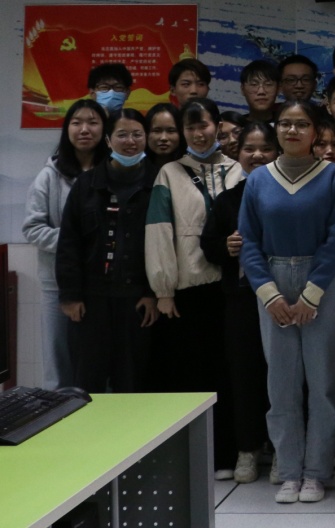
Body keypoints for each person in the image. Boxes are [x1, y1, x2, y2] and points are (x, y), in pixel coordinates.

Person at [239, 100, 335, 504]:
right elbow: (248, 241)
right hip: (273, 281)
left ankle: (316, 473)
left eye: (301, 124)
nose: (292, 131)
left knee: (321, 384)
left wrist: (311, 294)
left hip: (321, 281)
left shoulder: (333, 176)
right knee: (281, 386)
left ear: (314, 131)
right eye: (285, 124)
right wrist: (269, 294)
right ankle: (289, 471)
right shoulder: (259, 180)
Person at [146, 97, 243, 479]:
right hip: (189, 288)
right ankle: (196, 456)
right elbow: (159, 232)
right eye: (190, 127)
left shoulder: (238, 169)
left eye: (204, 125)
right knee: (192, 373)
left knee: (230, 372)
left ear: (217, 125)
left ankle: (230, 453)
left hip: (232, 286)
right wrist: (164, 289)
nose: (198, 133)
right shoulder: (168, 173)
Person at [56, 109, 160, 392]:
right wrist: (70, 296)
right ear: (108, 140)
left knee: (132, 384)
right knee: (87, 384)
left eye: (137, 134)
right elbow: (69, 244)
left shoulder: (159, 183)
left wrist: (153, 293)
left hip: (137, 301)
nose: (130, 141)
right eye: (122, 134)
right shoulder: (87, 184)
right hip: (91, 302)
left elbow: (165, 245)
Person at [200, 121, 280, 484]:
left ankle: (281, 449)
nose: (257, 155)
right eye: (249, 148)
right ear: (238, 153)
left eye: (265, 148)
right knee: (244, 375)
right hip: (242, 300)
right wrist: (225, 247)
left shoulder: (291, 194)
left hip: (284, 299)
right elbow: (208, 245)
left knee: (281, 377)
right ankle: (248, 449)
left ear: (278, 152)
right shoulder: (228, 199)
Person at [23, 100, 110, 390]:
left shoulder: (111, 172)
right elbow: (33, 229)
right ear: (66, 129)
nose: (85, 129)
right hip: (57, 283)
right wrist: (76, 241)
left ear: (104, 129)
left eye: (93, 122)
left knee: (100, 360)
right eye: (77, 122)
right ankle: (57, 411)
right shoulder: (49, 175)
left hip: (104, 283)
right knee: (59, 360)